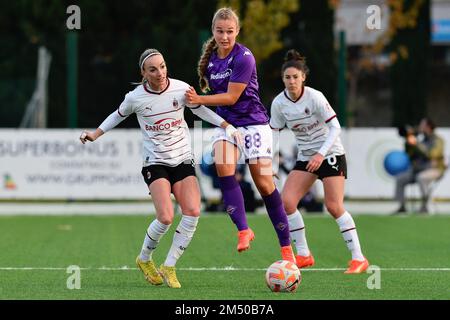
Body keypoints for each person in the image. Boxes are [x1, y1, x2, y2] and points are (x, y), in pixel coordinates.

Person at [79, 48, 241, 288]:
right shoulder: (135, 97)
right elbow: (117, 115)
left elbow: (199, 109)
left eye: (162, 66)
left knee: (193, 212)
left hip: (183, 160)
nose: (160, 73)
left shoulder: (180, 88)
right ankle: (144, 259)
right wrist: (95, 134)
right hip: (155, 163)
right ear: (143, 73)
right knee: (165, 217)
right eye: (153, 69)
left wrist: (227, 125)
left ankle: (169, 265)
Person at [185, 7, 295, 263]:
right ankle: (244, 230)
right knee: (223, 165)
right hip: (227, 125)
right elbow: (219, 101)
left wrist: (198, 99)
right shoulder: (212, 59)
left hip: (254, 123)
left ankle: (286, 248)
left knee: (264, 185)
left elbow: (232, 96)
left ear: (237, 31)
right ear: (213, 31)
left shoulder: (245, 56)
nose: (224, 36)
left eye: (230, 32)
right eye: (220, 31)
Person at [270, 49, 369, 274]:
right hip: (306, 157)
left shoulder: (314, 97)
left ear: (304, 76)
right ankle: (304, 254)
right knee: (287, 202)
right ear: (283, 79)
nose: (292, 81)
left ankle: (359, 258)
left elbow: (335, 127)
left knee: (333, 206)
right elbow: (273, 133)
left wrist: (320, 154)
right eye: (287, 78)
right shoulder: (279, 103)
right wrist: (272, 165)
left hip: (330, 154)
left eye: (296, 77)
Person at [394, 118, 447, 213]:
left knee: (421, 178)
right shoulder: (421, 139)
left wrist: (417, 144)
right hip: (418, 169)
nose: (420, 127)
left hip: (435, 169)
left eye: (422, 125)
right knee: (400, 178)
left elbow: (433, 154)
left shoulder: (438, 140)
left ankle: (425, 207)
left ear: (429, 127)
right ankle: (401, 206)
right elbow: (409, 155)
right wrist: (409, 143)